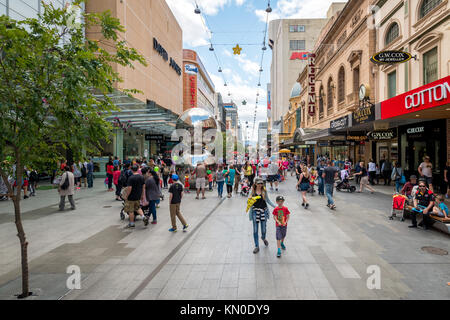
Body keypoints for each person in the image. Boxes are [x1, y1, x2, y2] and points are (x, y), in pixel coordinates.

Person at [248, 178, 276, 254]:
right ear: (255, 184)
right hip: (255, 212)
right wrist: (250, 199)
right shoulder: (252, 191)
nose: (260, 185)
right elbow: (249, 201)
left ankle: (263, 238)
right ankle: (256, 246)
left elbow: (268, 200)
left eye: (261, 183)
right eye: (259, 183)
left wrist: (275, 206)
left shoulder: (264, 191)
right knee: (255, 230)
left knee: (263, 229)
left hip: (263, 211)